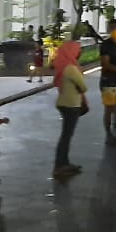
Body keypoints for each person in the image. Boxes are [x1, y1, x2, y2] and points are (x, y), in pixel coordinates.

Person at [52, 39, 86, 177]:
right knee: (66, 136)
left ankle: (64, 163)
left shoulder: (63, 66)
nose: (79, 52)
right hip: (71, 105)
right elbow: (83, 87)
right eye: (77, 49)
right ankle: (60, 165)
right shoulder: (71, 68)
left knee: (66, 135)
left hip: (64, 103)